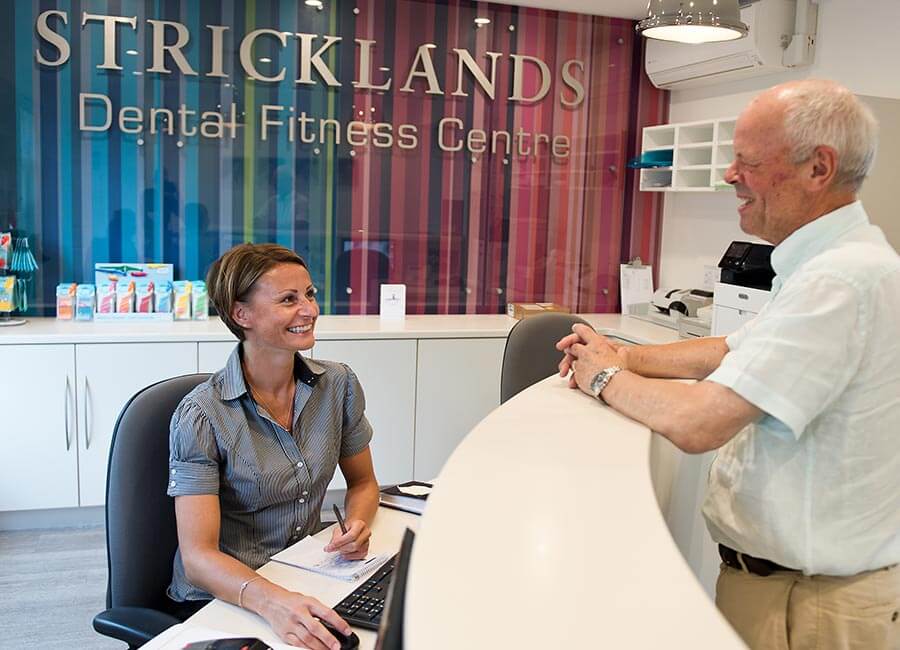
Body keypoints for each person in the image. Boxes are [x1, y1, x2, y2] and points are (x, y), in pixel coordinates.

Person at [557, 79, 900, 649]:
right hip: (794, 593)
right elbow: (729, 349)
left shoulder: (840, 280)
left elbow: (702, 422)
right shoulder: (829, 266)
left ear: (819, 167)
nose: (730, 175)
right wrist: (625, 353)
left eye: (747, 160)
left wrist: (603, 377)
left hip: (811, 608)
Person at [166, 243, 380, 650]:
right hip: (225, 599)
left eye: (310, 295)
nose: (309, 310)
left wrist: (357, 525)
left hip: (302, 576)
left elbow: (365, 483)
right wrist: (274, 601)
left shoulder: (339, 385)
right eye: (288, 300)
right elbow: (197, 559)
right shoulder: (202, 415)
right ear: (241, 314)